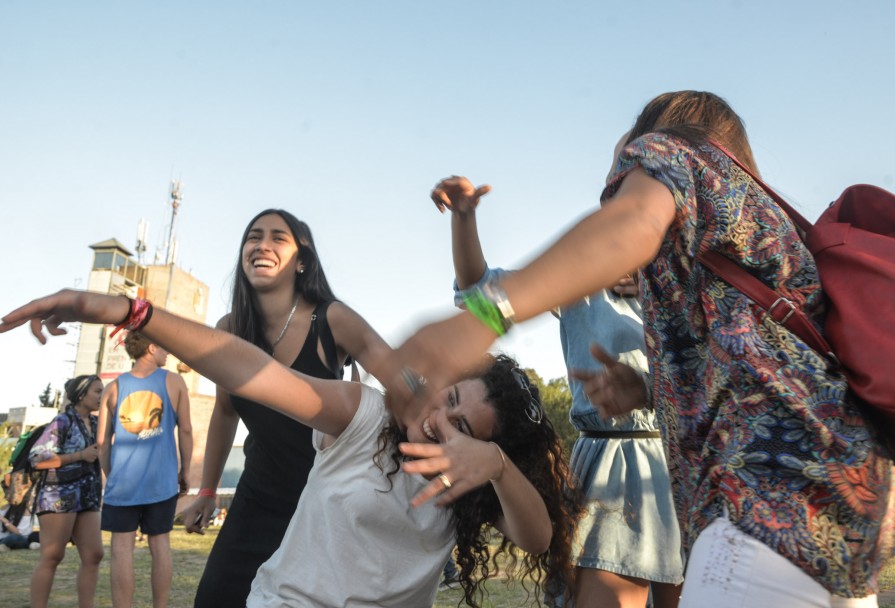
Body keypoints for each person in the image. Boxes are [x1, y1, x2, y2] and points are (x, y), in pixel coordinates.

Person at [384, 91, 895, 606]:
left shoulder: (674, 153)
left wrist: (484, 318)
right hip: (845, 505)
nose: (616, 178)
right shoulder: (747, 235)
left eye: (623, 162)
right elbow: (759, 370)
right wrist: (644, 390)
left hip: (766, 498)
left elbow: (631, 223)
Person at [0, 290, 585, 608]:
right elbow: (251, 370)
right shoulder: (366, 414)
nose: (439, 421)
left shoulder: (472, 484)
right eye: (450, 397)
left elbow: (537, 536)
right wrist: (137, 313)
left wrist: (498, 467)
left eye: (463, 426)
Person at [435, 179, 684, 607]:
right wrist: (464, 218)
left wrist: (657, 286)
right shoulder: (583, 279)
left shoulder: (698, 286)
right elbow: (481, 295)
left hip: (689, 471)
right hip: (614, 466)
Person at [179, 209, 393, 607]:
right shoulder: (229, 329)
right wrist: (207, 490)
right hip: (259, 494)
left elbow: (401, 379)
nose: (262, 245)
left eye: (278, 238)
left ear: (302, 260)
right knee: (215, 597)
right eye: (253, 237)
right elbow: (225, 411)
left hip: (327, 497)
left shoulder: (333, 319)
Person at [98, 331, 193, 608]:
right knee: (160, 545)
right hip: (161, 481)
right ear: (151, 348)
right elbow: (185, 430)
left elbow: (103, 443)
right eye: (164, 347)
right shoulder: (174, 382)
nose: (168, 352)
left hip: (122, 484)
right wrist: (185, 471)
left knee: (121, 550)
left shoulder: (112, 388)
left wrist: (112, 476)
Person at [28, 374, 104, 608]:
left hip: (87, 496)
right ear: (81, 395)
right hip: (58, 496)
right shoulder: (62, 421)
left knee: (94, 554)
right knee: (52, 555)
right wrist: (79, 455)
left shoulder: (97, 424)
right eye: (97, 391)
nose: (102, 396)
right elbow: (37, 458)